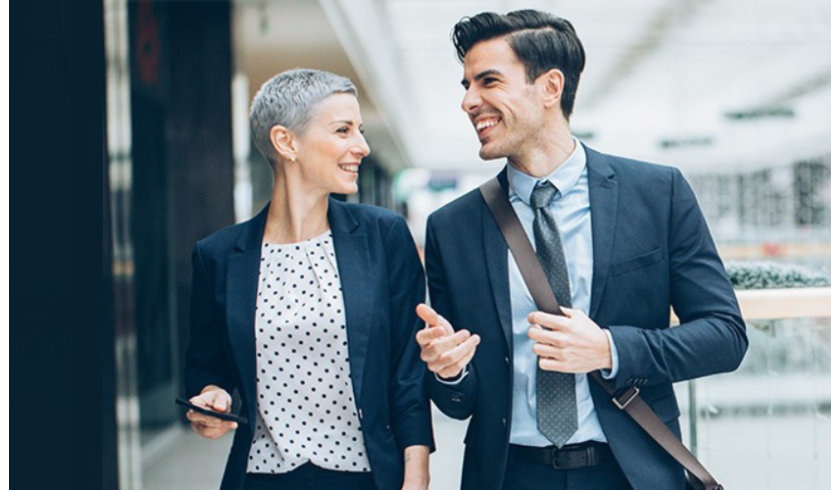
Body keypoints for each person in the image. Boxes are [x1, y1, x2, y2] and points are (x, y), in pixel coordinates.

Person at [415, 10, 748, 490]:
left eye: (488, 81)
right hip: (508, 475)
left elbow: (725, 336)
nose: (469, 101)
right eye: (465, 85)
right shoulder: (453, 228)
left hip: (632, 472)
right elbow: (458, 402)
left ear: (550, 87)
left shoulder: (657, 194)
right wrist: (448, 373)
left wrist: (609, 348)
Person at [184, 68, 433, 490]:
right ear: (286, 142)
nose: (362, 146)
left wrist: (417, 477)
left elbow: (407, 375)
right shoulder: (219, 256)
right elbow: (207, 368)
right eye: (343, 130)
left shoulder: (383, 237)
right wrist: (212, 400)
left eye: (360, 130)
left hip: (367, 478)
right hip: (260, 478)